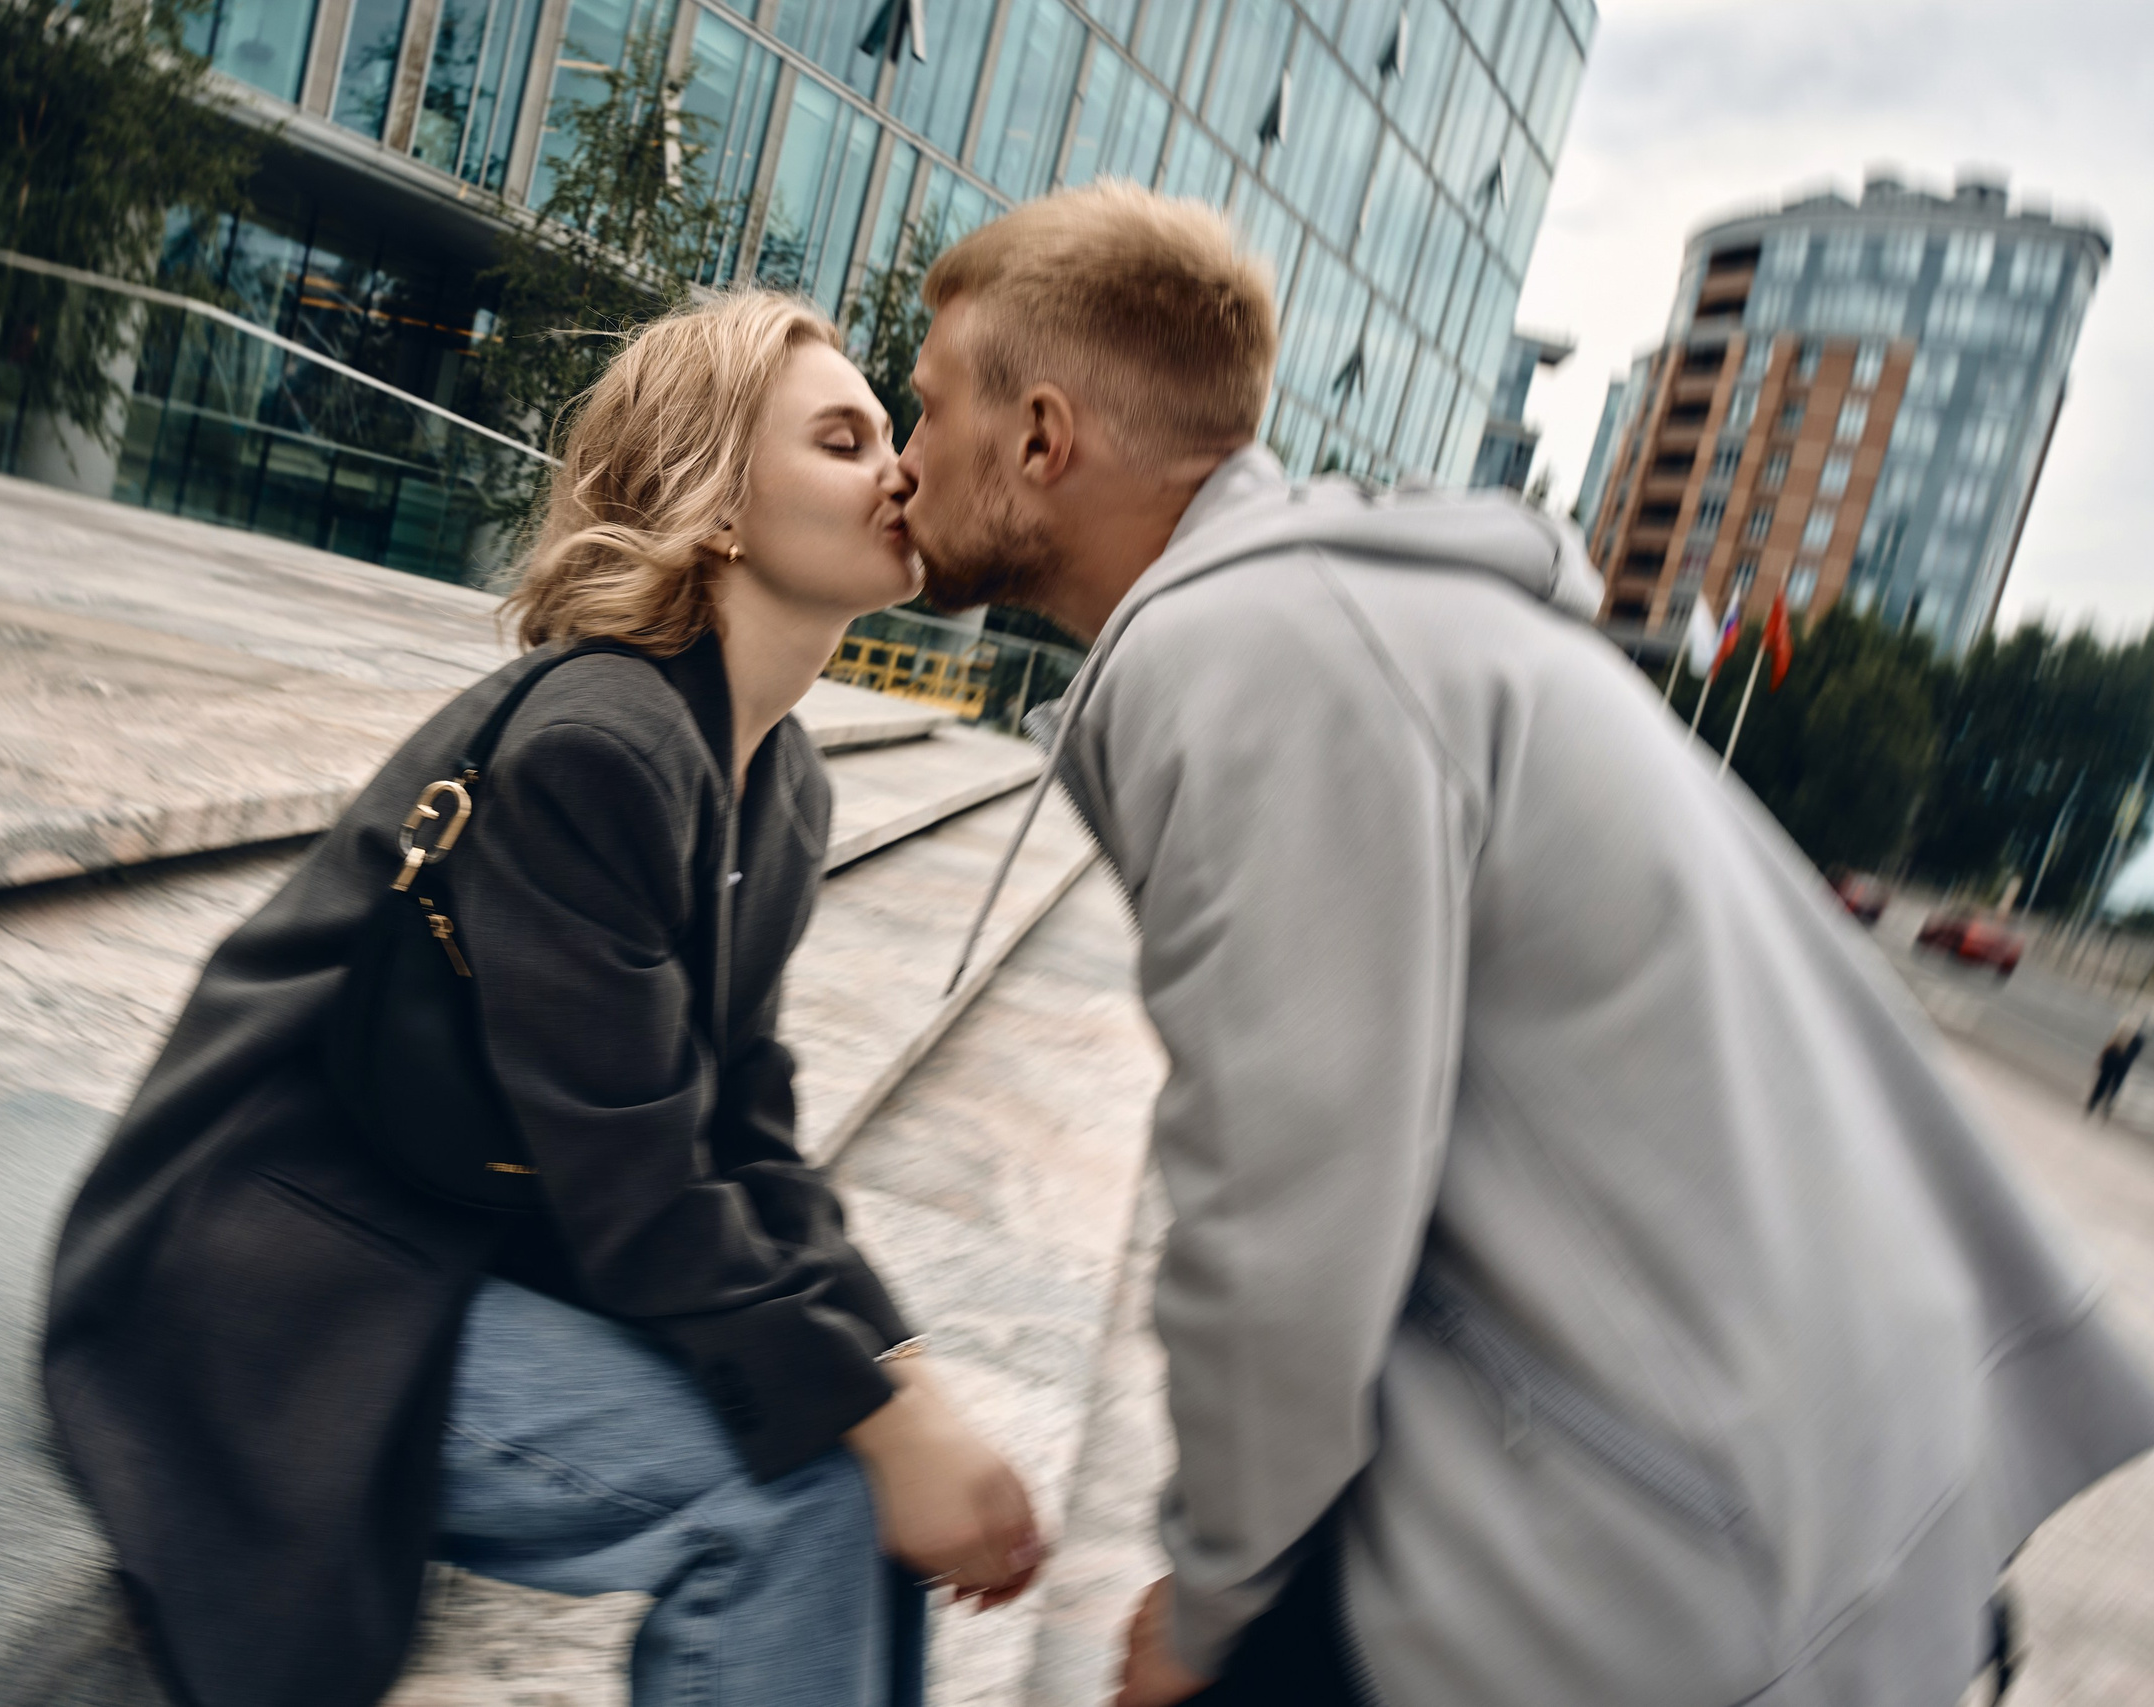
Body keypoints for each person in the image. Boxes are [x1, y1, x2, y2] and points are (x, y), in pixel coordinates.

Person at [895, 181, 2154, 1707]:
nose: (904, 466)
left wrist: (1211, 1593)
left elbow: (1288, 1213)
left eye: (925, 407)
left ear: (1041, 436)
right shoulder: (1367, 619)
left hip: (1665, 1539)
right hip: (1771, 1484)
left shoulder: (1249, 654)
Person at [42, 292, 1041, 1707]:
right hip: (277, 1269)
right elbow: (644, 1192)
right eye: (841, 438)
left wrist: (902, 1377)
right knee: (803, 1490)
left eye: (891, 430)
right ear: (717, 505)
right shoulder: (602, 742)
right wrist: (876, 1420)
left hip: (468, 1232)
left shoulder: (783, 780)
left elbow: (742, 1135)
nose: (899, 467)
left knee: (847, 1457)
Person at [2086, 1017, 2145, 1118]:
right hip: (2122, 1064)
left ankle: (2093, 1104)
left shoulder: (2123, 1031)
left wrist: (2103, 1057)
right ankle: (2105, 1105)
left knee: (2103, 1083)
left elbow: (2111, 1043)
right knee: (2113, 1086)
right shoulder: (2139, 1039)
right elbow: (2135, 1055)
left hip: (2112, 1059)